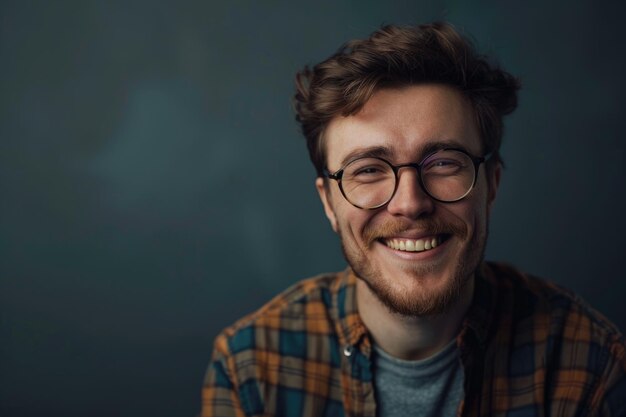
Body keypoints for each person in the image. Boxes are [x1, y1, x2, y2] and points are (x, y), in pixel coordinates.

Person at [201, 22, 626, 417]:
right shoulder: (252, 370)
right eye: (368, 169)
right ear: (329, 202)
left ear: (491, 186)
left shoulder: (590, 366)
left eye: (443, 163)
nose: (410, 203)